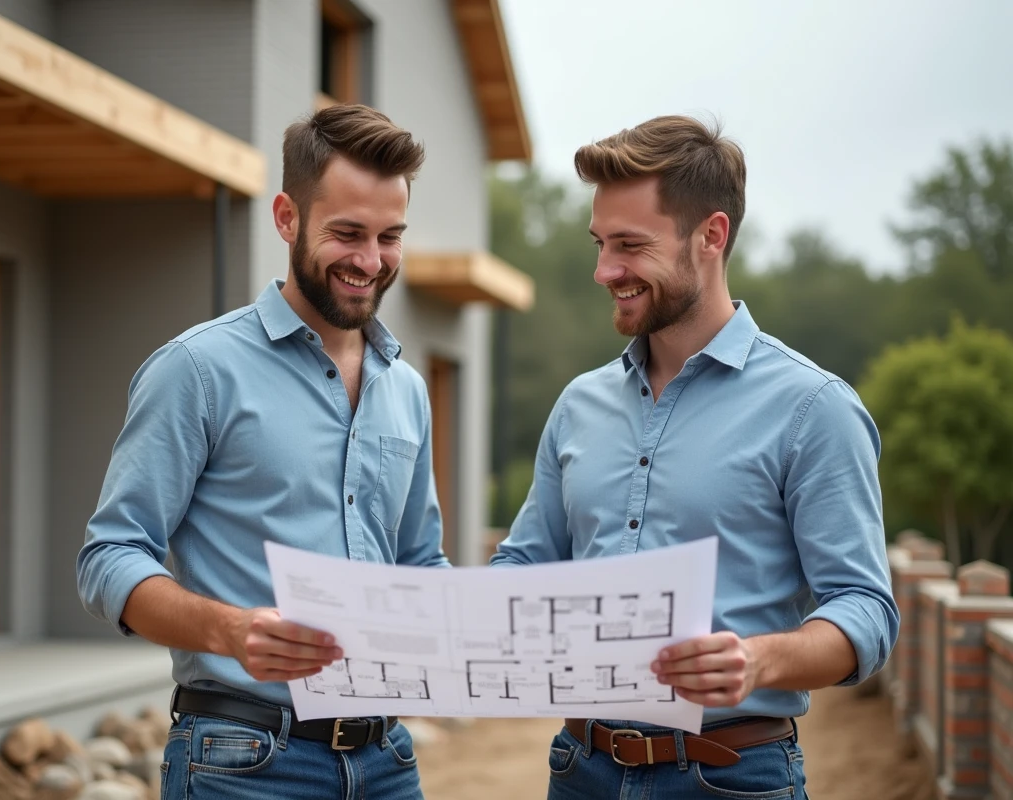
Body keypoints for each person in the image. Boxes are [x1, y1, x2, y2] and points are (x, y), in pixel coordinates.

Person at [490, 115, 899, 799]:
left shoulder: (813, 408)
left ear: (711, 236)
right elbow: (529, 563)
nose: (604, 271)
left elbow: (865, 610)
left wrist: (758, 660)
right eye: (599, 244)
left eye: (629, 246)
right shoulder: (578, 405)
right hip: (578, 769)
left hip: (730, 778)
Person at [77, 103, 447, 800]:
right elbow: (108, 557)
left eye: (389, 237)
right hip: (243, 762)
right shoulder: (196, 370)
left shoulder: (408, 390)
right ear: (286, 218)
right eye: (347, 234)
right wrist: (230, 629)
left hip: (387, 761)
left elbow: (421, 565)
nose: (370, 261)